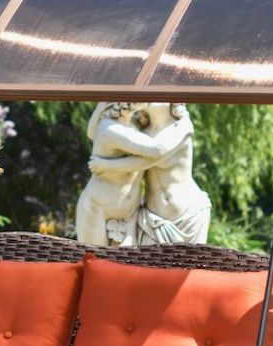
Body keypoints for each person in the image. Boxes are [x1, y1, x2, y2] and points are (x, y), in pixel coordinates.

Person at [75, 102, 194, 247]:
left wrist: (106, 165)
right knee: (95, 259)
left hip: (130, 214)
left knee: (126, 261)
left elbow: (152, 156)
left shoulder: (135, 127)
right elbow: (154, 152)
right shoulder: (110, 129)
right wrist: (101, 106)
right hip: (98, 210)